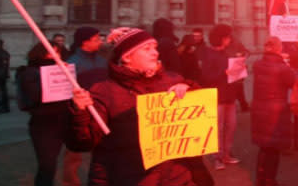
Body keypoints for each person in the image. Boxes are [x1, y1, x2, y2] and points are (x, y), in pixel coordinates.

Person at [69, 27, 195, 186]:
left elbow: (199, 125)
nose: (155, 53)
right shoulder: (104, 91)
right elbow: (82, 142)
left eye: (155, 48)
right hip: (128, 179)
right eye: (147, 49)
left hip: (176, 178)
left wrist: (191, 91)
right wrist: (79, 112)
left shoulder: (173, 81)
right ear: (127, 57)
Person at [21, 41, 71, 186]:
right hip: (43, 124)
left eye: (58, 52)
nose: (56, 55)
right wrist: (54, 75)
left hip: (62, 119)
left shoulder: (63, 68)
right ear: (41, 53)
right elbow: (35, 96)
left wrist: (66, 75)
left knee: (54, 161)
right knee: (47, 164)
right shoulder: (30, 72)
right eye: (51, 52)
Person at [63, 27, 108, 186]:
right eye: (96, 39)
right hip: (81, 111)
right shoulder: (72, 63)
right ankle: (70, 182)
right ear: (85, 42)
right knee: (74, 153)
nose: (100, 42)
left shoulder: (103, 60)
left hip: (101, 110)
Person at [251, 36, 296, 186]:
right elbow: (295, 81)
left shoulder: (257, 64)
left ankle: (260, 178)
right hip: (275, 112)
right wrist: (286, 64)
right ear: (279, 48)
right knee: (274, 149)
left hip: (259, 110)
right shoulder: (282, 68)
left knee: (264, 148)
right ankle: (270, 180)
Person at [199, 24, 240, 170]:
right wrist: (225, 73)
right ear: (221, 38)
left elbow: (230, 73)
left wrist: (239, 72)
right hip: (216, 96)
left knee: (231, 127)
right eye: (227, 37)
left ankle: (226, 154)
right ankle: (216, 156)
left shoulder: (226, 53)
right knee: (217, 128)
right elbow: (206, 77)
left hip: (229, 95)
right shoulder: (209, 54)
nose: (229, 40)